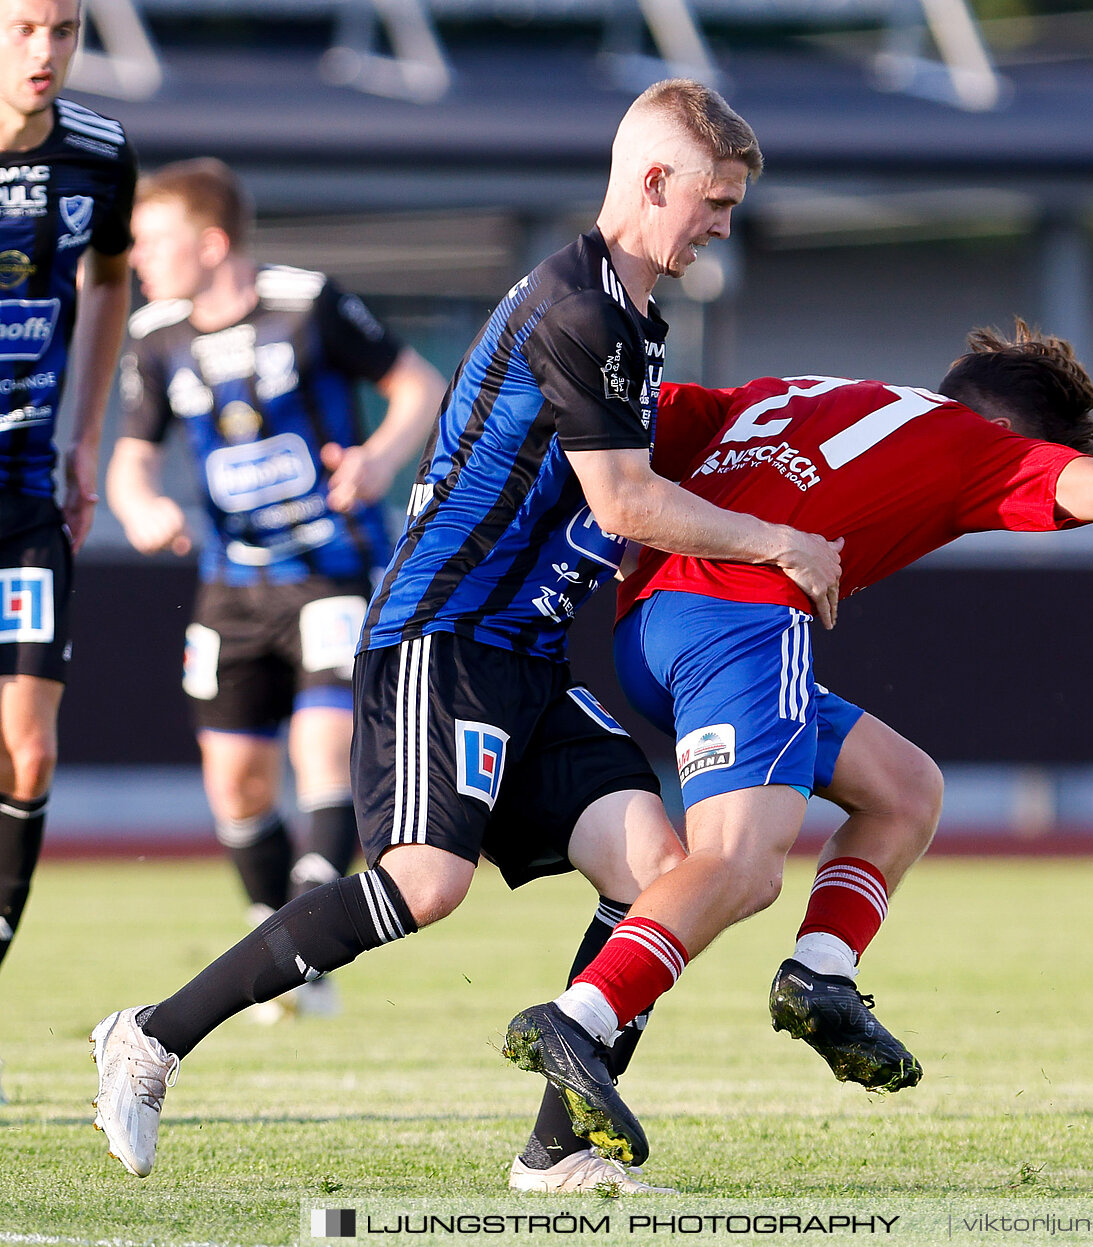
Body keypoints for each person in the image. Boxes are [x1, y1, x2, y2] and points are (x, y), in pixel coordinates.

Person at [88, 79, 841, 1190]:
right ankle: (150, 1035)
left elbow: (607, 512)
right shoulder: (574, 308)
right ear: (653, 181)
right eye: (715, 200)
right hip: (443, 634)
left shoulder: (633, 317)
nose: (724, 222)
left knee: (657, 873)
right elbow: (626, 501)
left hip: (526, 654)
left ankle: (557, 1148)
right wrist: (777, 538)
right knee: (424, 883)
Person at [498, 321, 1093, 1140]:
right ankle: (583, 1015)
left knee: (905, 788)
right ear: (1013, 432)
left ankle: (823, 973)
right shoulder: (981, 443)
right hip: (742, 624)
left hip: (647, 629)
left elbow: (618, 423)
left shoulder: (801, 392)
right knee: (738, 864)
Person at [107, 158, 446, 1022]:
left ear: (212, 242)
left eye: (153, 240)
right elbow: (130, 458)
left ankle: (304, 934)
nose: (139, 257)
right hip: (230, 589)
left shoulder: (309, 303)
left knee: (323, 750)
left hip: (331, 570)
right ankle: (277, 931)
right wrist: (140, 505)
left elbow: (418, 384)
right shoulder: (155, 336)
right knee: (236, 785)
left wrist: (377, 457)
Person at [0, 0, 136, 1103]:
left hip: (25, 499)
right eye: (23, 29)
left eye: (64, 31)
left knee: (29, 752)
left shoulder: (101, 153)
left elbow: (109, 282)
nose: (44, 54)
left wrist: (85, 435)